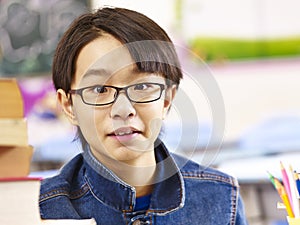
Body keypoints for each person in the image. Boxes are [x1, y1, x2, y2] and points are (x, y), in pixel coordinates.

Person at [39, 6, 248, 225]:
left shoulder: (220, 199)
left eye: (143, 86)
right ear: (69, 105)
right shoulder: (40, 211)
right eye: (100, 90)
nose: (123, 109)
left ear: (166, 99)